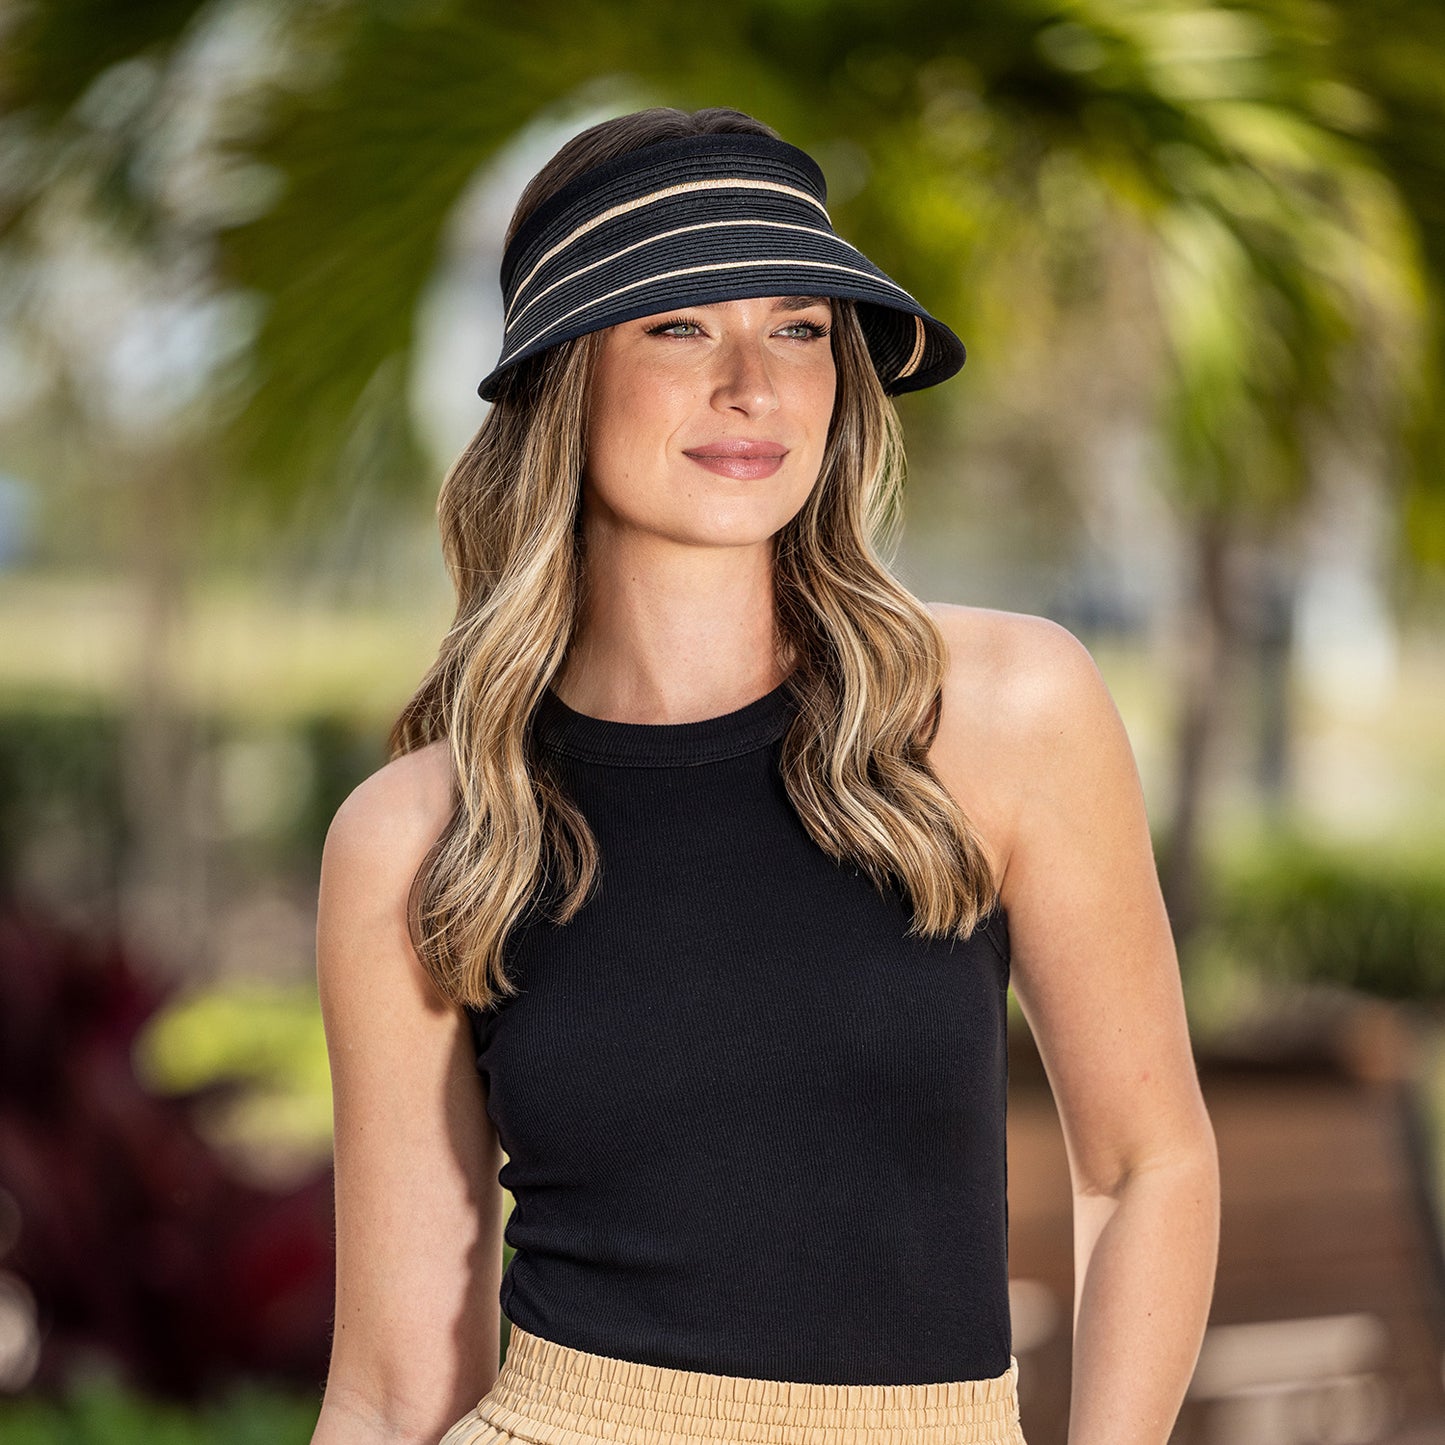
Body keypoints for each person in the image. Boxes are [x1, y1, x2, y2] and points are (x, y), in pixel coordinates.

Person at [309, 106, 1220, 1445]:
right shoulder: (421, 831)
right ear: (563, 375)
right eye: (677, 325)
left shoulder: (1008, 711)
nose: (754, 385)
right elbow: (393, 1391)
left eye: (798, 327)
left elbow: (1149, 1165)